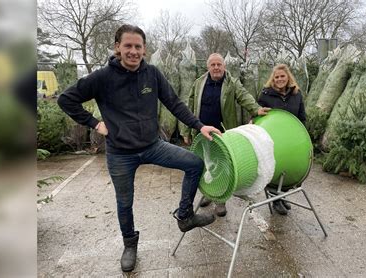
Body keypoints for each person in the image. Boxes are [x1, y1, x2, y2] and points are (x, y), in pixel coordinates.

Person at [57, 24, 220, 273]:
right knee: (125, 203)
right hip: (120, 153)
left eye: (138, 46)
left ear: (144, 49)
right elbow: (66, 98)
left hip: (153, 145)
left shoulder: (152, 74)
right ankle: (130, 244)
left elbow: (174, 103)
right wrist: (94, 123)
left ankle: (185, 216)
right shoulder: (102, 77)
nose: (133, 51)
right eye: (128, 46)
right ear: (117, 47)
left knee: (194, 163)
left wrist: (199, 126)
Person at [181, 53, 270, 217]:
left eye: (219, 64)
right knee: (203, 164)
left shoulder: (232, 83)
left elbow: (244, 96)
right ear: (208, 67)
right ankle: (207, 193)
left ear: (224, 66)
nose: (216, 68)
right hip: (202, 133)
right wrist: (185, 130)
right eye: (213, 65)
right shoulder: (199, 83)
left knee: (223, 166)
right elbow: (189, 105)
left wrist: (256, 109)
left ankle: (220, 201)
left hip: (222, 133)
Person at [257, 63, 306, 215]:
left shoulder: (296, 94)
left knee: (288, 168)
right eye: (276, 77)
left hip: (291, 140)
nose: (279, 79)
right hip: (272, 139)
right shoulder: (265, 95)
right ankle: (275, 200)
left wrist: (302, 135)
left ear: (288, 77)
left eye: (282, 76)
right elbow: (258, 115)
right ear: (273, 78)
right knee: (275, 168)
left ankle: (282, 196)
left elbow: (301, 117)